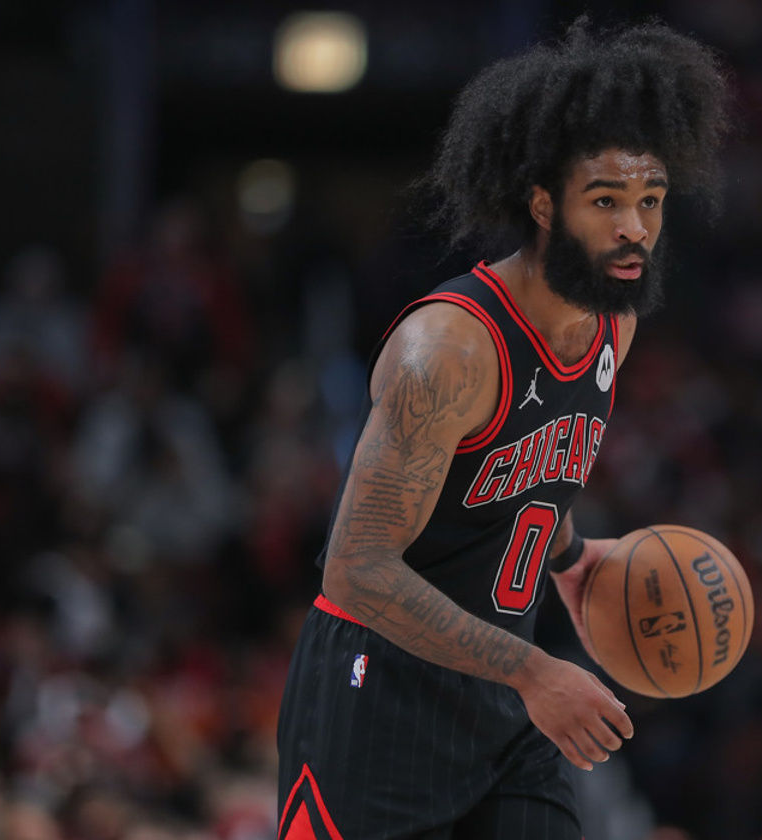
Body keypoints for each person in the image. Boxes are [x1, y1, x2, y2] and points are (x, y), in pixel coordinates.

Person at [276, 18, 728, 840]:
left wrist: (571, 557)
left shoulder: (610, 326)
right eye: (606, 201)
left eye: (650, 201)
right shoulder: (447, 351)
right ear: (542, 204)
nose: (635, 228)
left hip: (500, 702)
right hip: (376, 698)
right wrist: (533, 669)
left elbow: (519, 483)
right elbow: (355, 567)